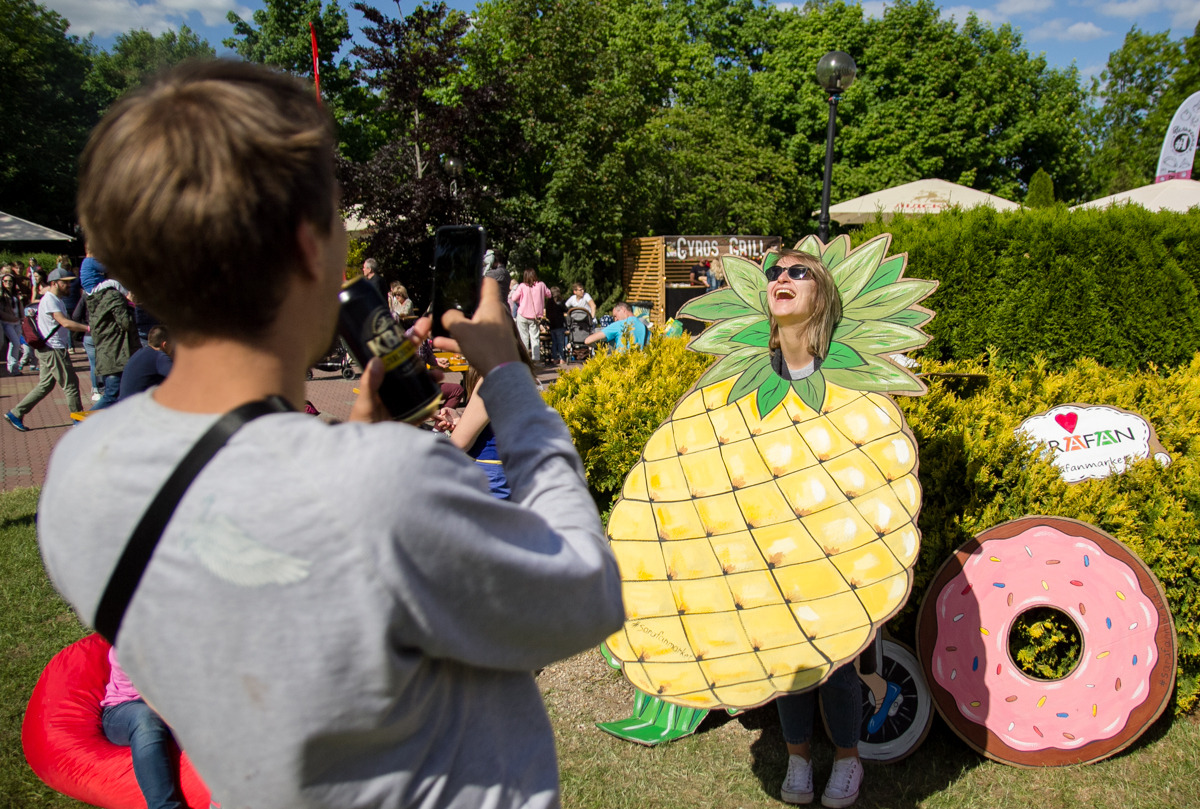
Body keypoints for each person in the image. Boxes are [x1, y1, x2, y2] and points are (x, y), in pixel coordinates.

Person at [38, 59, 623, 809]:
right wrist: (509, 378)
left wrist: (352, 437)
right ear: (310, 248)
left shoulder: (79, 475)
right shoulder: (370, 485)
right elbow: (587, 589)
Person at [762, 248, 863, 808]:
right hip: (776, 539)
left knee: (841, 655)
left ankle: (848, 761)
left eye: (797, 272)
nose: (781, 277)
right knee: (787, 660)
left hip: (839, 537)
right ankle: (799, 759)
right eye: (775, 273)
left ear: (820, 295)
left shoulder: (847, 374)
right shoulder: (755, 377)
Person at [4, 268, 89, 431]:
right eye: (66, 283)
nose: (69, 286)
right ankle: (78, 420)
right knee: (70, 384)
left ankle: (16, 413)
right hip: (53, 349)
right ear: (54, 283)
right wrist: (88, 328)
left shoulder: (55, 299)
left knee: (46, 385)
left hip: (50, 348)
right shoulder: (50, 299)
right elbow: (65, 322)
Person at [101, 649, 186, 809]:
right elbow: (150, 696)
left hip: (170, 704)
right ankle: (163, 806)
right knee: (146, 719)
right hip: (125, 709)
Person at [87, 278, 140, 410]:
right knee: (112, 395)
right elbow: (126, 323)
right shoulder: (116, 297)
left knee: (116, 395)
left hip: (107, 353)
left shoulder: (100, 299)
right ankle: (80, 423)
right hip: (116, 354)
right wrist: (131, 304)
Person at [508, 268, 551, 363]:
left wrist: (521, 300)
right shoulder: (541, 285)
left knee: (523, 337)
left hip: (522, 314)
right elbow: (549, 294)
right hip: (535, 316)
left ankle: (525, 359)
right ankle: (536, 359)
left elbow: (514, 297)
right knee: (535, 337)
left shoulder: (522, 286)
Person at [119, 324, 174, 398]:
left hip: (126, 403)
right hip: (138, 406)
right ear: (165, 344)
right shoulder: (158, 356)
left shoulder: (141, 353)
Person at [0, 271, 25, 374]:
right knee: (15, 342)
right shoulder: (2, 295)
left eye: (10, 281)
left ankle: (14, 368)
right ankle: (12, 367)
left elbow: (20, 306)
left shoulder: (15, 293)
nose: (8, 283)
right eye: (5, 281)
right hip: (7, 322)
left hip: (17, 321)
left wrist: (22, 318)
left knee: (15, 344)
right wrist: (10, 318)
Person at [546, 286, 567, 367]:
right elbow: (566, 309)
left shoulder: (549, 303)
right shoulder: (560, 302)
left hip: (552, 325)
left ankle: (555, 359)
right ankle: (562, 358)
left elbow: (547, 315)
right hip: (560, 325)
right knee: (561, 342)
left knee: (554, 343)